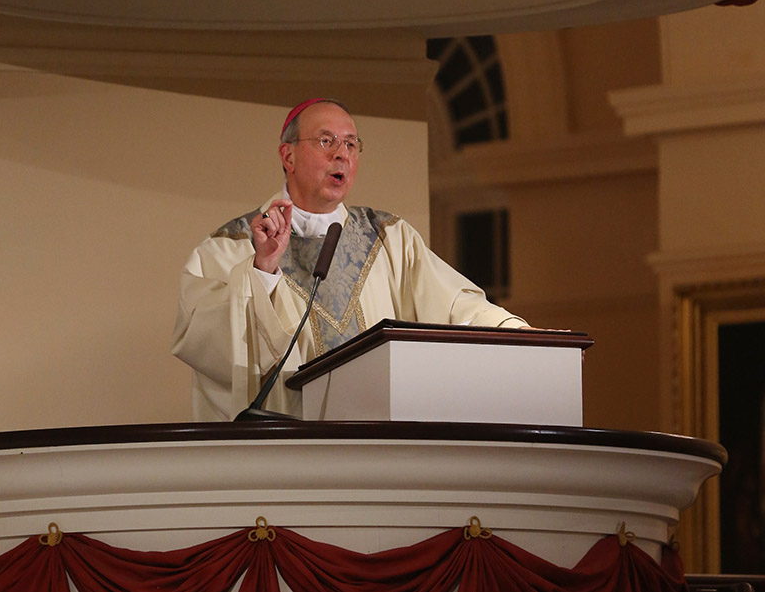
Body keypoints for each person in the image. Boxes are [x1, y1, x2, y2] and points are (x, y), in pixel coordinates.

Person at [172, 98, 528, 420]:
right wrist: (262, 271)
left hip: (376, 447)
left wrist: (520, 335)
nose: (342, 154)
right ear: (288, 156)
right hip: (283, 455)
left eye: (351, 144)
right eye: (326, 141)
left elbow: (456, 305)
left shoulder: (389, 237)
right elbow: (205, 342)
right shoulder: (232, 246)